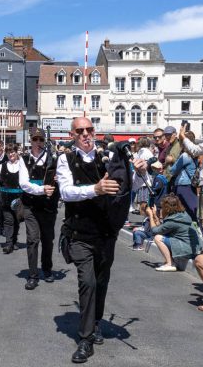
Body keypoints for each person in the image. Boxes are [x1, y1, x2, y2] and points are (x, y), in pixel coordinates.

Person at [57, 117, 144, 364]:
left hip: (105, 233)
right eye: (80, 131)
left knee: (102, 280)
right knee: (88, 281)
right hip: (80, 233)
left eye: (90, 129)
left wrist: (138, 173)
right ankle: (84, 339)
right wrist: (94, 189)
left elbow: (125, 189)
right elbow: (66, 192)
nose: (86, 134)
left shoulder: (108, 157)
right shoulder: (66, 159)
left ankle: (95, 322)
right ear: (73, 134)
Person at [0, 144, 42, 255]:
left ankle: (14, 240)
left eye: (13, 152)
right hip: (5, 198)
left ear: (16, 152)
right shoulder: (3, 166)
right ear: (7, 154)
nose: (11, 154)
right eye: (9, 152)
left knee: (16, 220)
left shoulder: (22, 165)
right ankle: (9, 243)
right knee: (8, 221)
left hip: (19, 198)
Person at [20, 129, 59, 289]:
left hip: (49, 206)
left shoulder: (53, 159)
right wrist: (41, 189)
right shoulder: (24, 159)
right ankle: (33, 275)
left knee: (48, 240)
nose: (38, 142)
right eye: (35, 139)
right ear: (31, 141)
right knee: (32, 240)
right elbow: (24, 183)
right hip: (31, 205)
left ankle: (47, 269)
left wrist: (58, 179)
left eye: (41, 140)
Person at [149, 194, 203, 272]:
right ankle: (170, 261)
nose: (161, 209)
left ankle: (169, 263)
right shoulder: (182, 214)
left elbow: (154, 231)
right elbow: (162, 228)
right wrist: (156, 216)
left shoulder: (173, 221)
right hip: (192, 247)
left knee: (158, 238)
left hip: (186, 248)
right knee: (163, 236)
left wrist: (150, 215)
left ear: (167, 208)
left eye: (162, 207)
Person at [169, 131, 199, 222]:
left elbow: (173, 170)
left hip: (183, 185)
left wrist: (170, 162)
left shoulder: (185, 155)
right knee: (192, 208)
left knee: (186, 210)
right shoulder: (195, 154)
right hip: (192, 184)